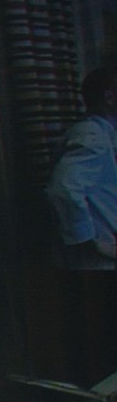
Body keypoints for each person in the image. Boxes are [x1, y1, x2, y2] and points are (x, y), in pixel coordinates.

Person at [46, 60, 117, 267]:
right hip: (101, 258)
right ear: (109, 98)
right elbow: (63, 188)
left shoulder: (104, 134)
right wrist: (86, 241)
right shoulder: (92, 135)